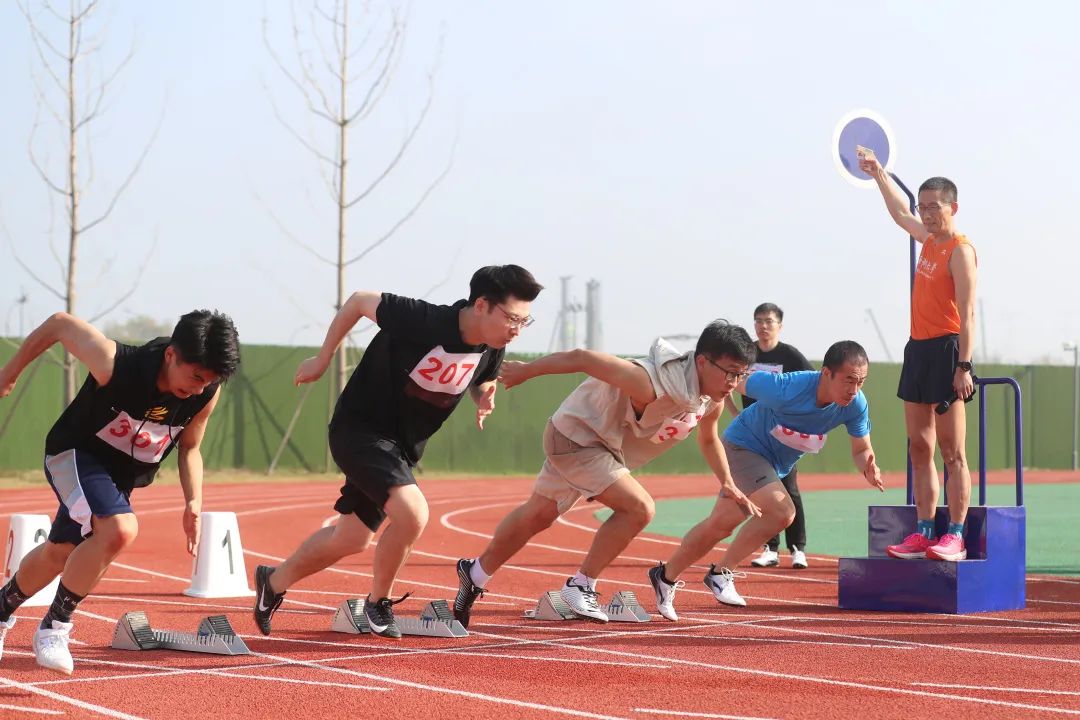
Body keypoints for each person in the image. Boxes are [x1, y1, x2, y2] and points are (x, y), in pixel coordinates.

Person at [252, 265, 542, 639]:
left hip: (401, 449)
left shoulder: (492, 345)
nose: (517, 330)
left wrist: (484, 396)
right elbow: (358, 302)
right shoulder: (425, 319)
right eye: (513, 319)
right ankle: (378, 602)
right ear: (482, 305)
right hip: (359, 430)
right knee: (413, 513)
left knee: (351, 538)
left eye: (525, 321)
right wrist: (322, 359)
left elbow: (482, 377)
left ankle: (272, 583)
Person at [452, 321, 762, 628]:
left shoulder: (708, 401)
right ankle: (580, 585)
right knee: (639, 508)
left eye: (741, 373)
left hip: (603, 448)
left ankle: (475, 573)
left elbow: (708, 439)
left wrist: (728, 483)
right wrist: (527, 370)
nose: (734, 382)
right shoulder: (648, 382)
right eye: (730, 371)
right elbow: (583, 357)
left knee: (538, 514)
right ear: (703, 362)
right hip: (576, 437)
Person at [0, 310, 240, 674]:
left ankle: (1, 610)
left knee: (60, 553)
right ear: (171, 354)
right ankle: (54, 627)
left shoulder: (205, 393)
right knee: (119, 529)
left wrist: (194, 501)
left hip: (116, 478)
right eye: (194, 376)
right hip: (74, 455)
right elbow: (59, 324)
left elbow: (190, 448)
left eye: (207, 381)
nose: (197, 388)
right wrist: (10, 372)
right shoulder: (116, 363)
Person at [649, 341, 883, 620]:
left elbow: (860, 449)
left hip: (775, 465)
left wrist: (868, 466)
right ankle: (721, 574)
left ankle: (665, 576)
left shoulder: (855, 404)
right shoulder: (787, 387)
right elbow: (736, 380)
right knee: (782, 512)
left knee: (719, 526)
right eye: (848, 380)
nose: (854, 389)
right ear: (826, 373)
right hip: (743, 446)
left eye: (861, 382)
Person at [859, 149, 977, 562]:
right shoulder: (927, 240)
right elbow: (897, 213)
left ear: (953, 207)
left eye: (934, 207)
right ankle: (925, 531)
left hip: (947, 351)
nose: (926, 214)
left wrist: (964, 366)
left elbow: (969, 313)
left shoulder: (960, 250)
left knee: (952, 451)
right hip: (917, 350)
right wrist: (877, 174)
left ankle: (956, 536)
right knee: (918, 447)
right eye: (922, 207)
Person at [729, 303, 815, 570]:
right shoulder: (747, 353)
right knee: (763, 492)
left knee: (789, 490)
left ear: (780, 325)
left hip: (782, 436)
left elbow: (812, 384)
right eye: (758, 321)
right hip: (752, 436)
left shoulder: (791, 356)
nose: (763, 326)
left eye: (768, 321)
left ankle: (797, 549)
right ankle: (770, 548)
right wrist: (735, 414)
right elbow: (728, 382)